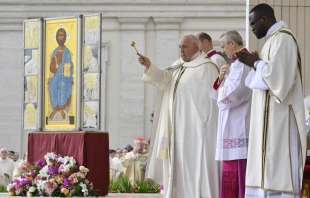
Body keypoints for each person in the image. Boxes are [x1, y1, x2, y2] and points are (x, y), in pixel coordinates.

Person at [235, 3, 307, 197]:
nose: (252, 28)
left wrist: (256, 63)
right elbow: (265, 76)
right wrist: (254, 63)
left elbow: (279, 79)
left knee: (278, 172)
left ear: (264, 19)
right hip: (269, 119)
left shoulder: (283, 38)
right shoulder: (271, 41)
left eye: (253, 24)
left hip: (280, 118)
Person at [138, 34, 220, 198]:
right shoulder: (178, 66)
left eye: (185, 47)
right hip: (176, 131)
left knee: (197, 169)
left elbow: (212, 102)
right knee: (177, 168)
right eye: (179, 47)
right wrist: (149, 66)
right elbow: (163, 80)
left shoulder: (207, 67)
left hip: (197, 133)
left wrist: (204, 126)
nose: (181, 51)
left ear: (195, 48)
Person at [210, 30, 252, 198]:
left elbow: (237, 92)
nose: (222, 51)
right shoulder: (236, 64)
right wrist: (221, 80)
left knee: (238, 172)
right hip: (231, 125)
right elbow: (222, 91)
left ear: (232, 43)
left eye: (223, 47)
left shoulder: (244, 63)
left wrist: (221, 91)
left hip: (239, 125)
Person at [48, 28, 74, 119]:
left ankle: (61, 108)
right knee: (51, 85)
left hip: (65, 75)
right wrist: (55, 64)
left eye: (62, 35)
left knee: (62, 84)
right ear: (56, 38)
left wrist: (61, 66)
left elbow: (68, 67)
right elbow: (52, 69)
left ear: (65, 37)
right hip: (57, 74)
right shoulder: (54, 51)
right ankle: (55, 107)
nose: (61, 37)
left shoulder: (67, 51)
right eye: (59, 35)